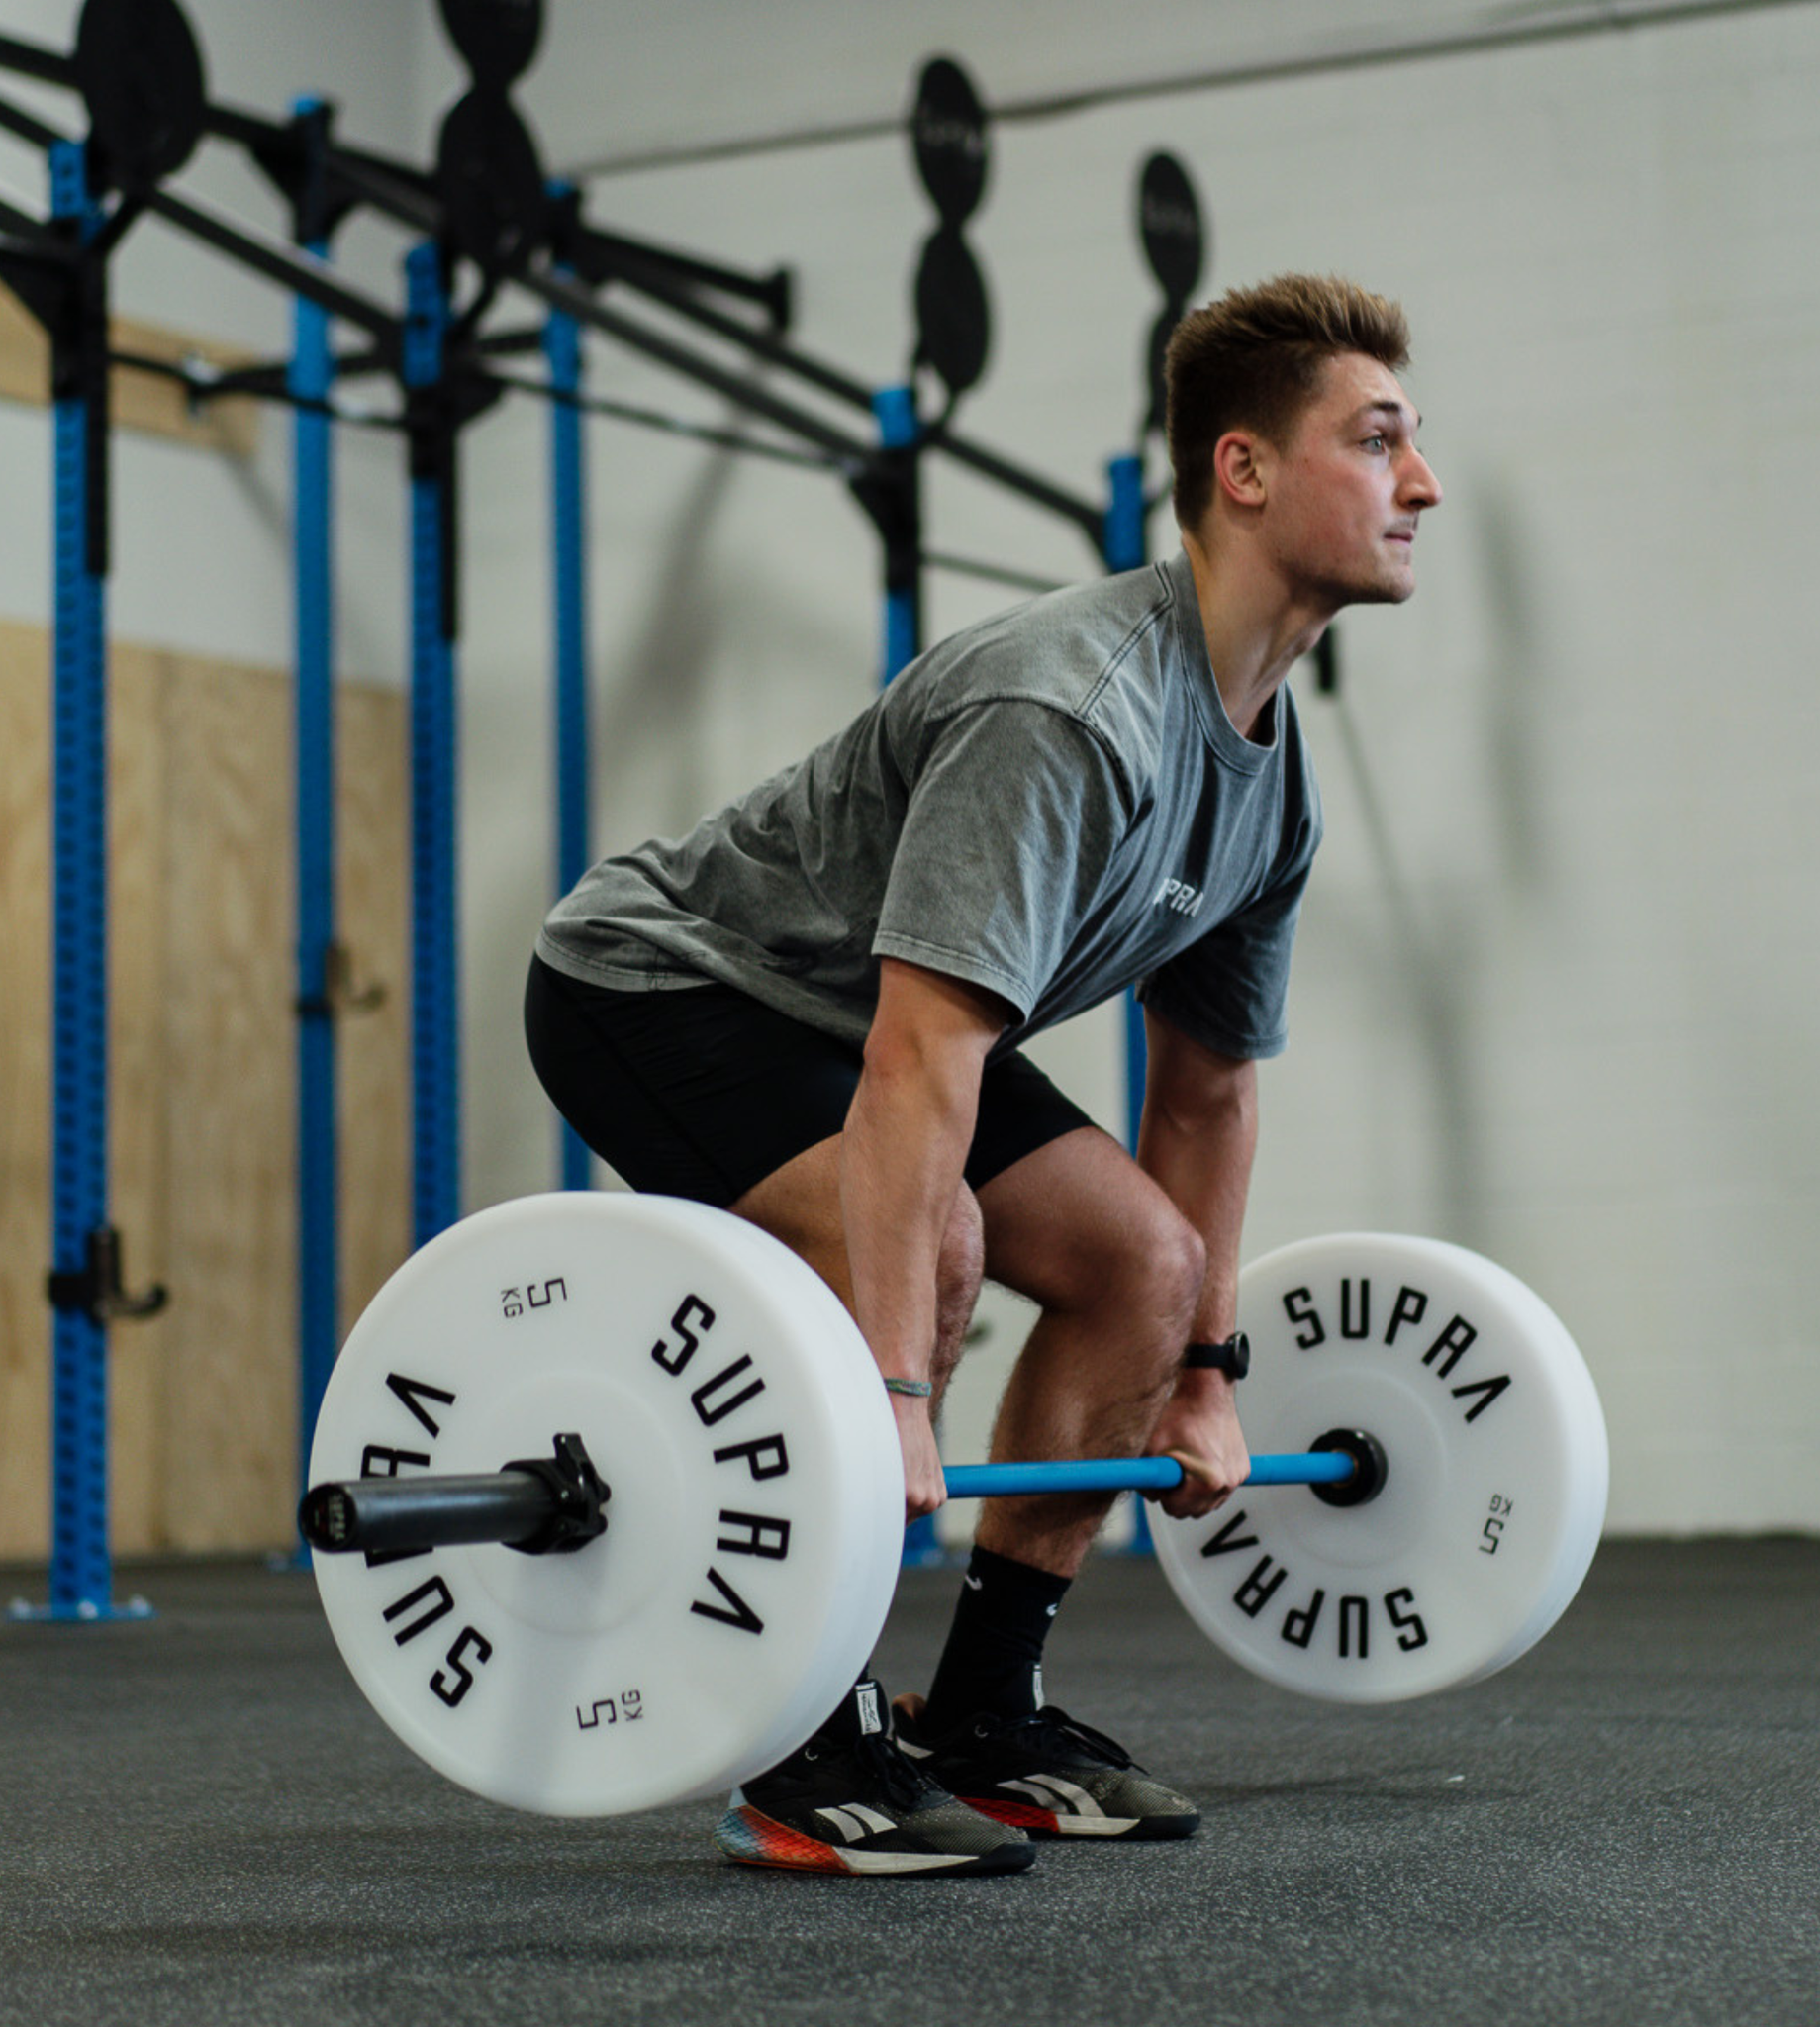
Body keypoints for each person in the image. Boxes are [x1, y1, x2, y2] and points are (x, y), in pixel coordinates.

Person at [526, 273, 1443, 1877]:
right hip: (666, 985)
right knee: (924, 1243)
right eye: (1377, 442)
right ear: (1242, 469)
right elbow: (918, 1060)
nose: (1421, 483)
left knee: (1144, 1265)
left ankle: (986, 1711)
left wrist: (1207, 1369)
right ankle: (805, 1741)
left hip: (863, 1020)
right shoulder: (1072, 706)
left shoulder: (1270, 780)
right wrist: (891, 1393)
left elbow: (1208, 1092)